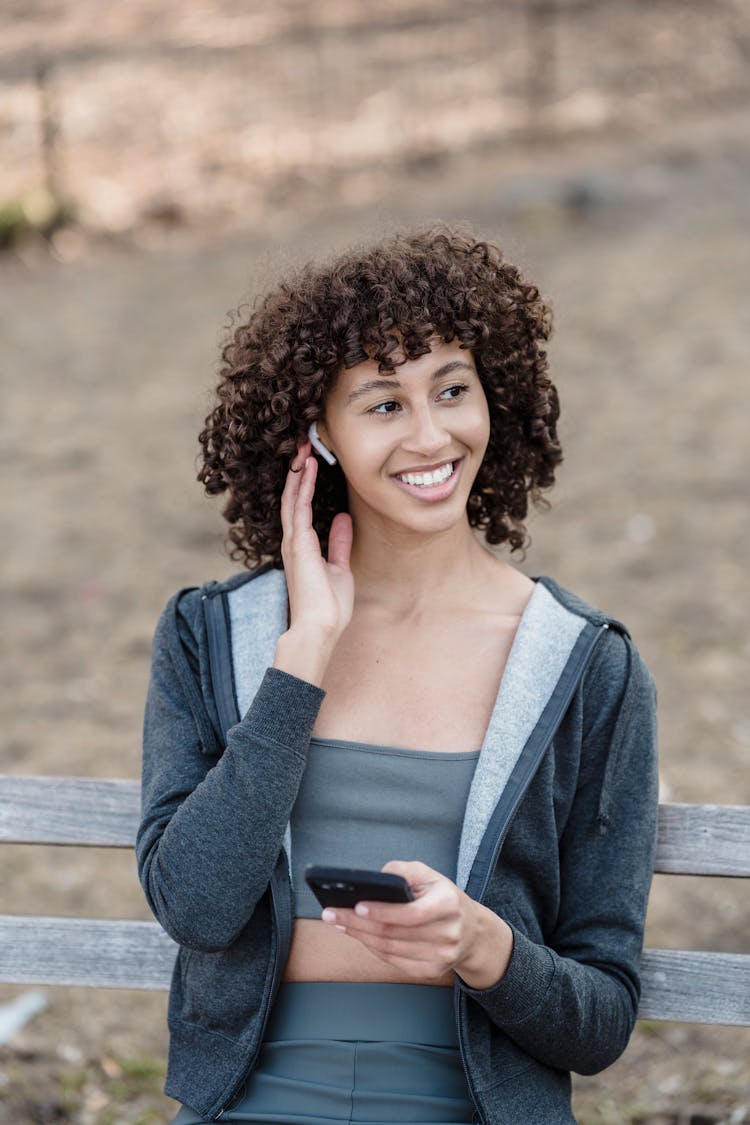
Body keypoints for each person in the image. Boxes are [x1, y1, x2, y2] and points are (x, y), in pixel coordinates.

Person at [136, 225, 658, 1125]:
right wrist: (303, 658)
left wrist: (486, 946)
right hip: (248, 1106)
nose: (431, 434)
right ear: (319, 433)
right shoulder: (214, 633)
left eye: (452, 389)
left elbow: (602, 1016)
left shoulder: (584, 665)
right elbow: (197, 905)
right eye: (383, 404)